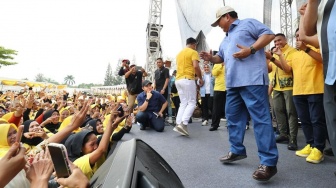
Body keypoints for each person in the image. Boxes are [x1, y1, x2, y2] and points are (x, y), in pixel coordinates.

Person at [200, 6, 278, 181]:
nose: (218, 25)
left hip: (252, 80)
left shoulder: (248, 23)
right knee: (232, 118)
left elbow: (269, 34)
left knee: (260, 120)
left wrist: (250, 50)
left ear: (227, 17)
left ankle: (269, 163)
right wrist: (210, 58)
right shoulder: (225, 39)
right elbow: (220, 57)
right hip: (233, 84)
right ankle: (236, 150)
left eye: (219, 21)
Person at [275, 28, 327, 163]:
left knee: (317, 120)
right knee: (304, 120)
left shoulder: (316, 47)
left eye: (301, 35)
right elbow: (287, 69)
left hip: (315, 89)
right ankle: (310, 145)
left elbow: (323, 60)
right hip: (298, 91)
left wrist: (306, 49)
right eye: (296, 35)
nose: (298, 38)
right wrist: (280, 55)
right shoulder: (295, 54)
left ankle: (319, 149)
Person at [302, 0, 336, 169]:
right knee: (331, 121)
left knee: (318, 120)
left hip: (317, 86)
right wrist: (308, 9)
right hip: (331, 74)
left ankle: (319, 147)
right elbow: (306, 33)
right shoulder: (322, 4)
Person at [265, 33, 299, 150]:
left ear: (286, 40)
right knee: (278, 111)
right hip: (276, 87)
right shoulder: (274, 53)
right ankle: (283, 134)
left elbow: (287, 69)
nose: (277, 43)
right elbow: (268, 69)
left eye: (279, 40)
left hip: (289, 86)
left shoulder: (292, 51)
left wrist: (273, 58)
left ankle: (293, 138)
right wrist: (266, 58)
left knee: (291, 112)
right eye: (275, 42)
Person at [173, 37, 203, 136]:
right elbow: (195, 66)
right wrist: (200, 78)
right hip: (187, 79)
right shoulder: (193, 52)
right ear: (194, 44)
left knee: (183, 102)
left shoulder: (179, 54)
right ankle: (183, 123)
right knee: (192, 102)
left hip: (178, 80)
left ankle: (178, 123)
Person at [209, 62, 226, 131]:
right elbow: (214, 73)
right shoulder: (217, 64)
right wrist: (221, 65)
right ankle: (214, 125)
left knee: (230, 107)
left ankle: (230, 124)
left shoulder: (230, 62)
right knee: (216, 108)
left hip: (229, 87)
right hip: (219, 88)